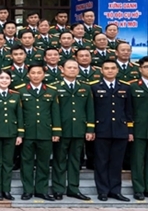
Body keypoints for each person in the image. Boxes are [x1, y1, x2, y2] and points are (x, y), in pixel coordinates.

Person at [51, 59, 94, 201]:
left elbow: (89, 109)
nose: (72, 70)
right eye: (69, 67)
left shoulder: (85, 88)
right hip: (62, 130)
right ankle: (58, 189)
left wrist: (90, 129)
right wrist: (56, 130)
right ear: (62, 69)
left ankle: (73, 188)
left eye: (75, 68)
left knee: (76, 161)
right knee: (59, 160)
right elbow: (54, 111)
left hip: (78, 129)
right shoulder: (55, 87)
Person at [17, 65, 60, 201]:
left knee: (44, 163)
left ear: (43, 75)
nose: (36, 75)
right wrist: (20, 132)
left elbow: (55, 112)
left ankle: (42, 190)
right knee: (26, 163)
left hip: (45, 132)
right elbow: (19, 114)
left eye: (39, 73)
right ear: (28, 75)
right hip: (27, 133)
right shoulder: (20, 91)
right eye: (33, 73)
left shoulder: (52, 91)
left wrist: (56, 131)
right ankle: (27, 190)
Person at [91, 60, 133, 202]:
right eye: (107, 68)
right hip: (101, 130)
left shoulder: (125, 87)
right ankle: (103, 191)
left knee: (116, 162)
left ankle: (115, 191)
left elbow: (129, 111)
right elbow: (92, 110)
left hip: (120, 130)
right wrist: (92, 129)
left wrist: (130, 130)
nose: (110, 71)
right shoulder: (94, 87)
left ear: (117, 70)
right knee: (101, 162)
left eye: (113, 68)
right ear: (101, 71)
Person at [0, 70, 21, 201]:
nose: (4, 80)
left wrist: (20, 134)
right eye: (1, 78)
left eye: (7, 78)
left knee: (8, 163)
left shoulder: (16, 95)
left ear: (10, 80)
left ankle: (6, 189)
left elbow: (19, 115)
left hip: (11, 132)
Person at [129, 57, 148, 200]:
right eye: (146, 67)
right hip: (139, 129)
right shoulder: (133, 86)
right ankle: (139, 189)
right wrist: (130, 129)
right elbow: (129, 110)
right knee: (137, 161)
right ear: (140, 69)